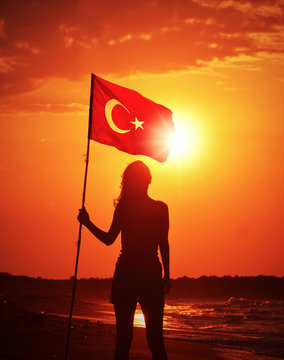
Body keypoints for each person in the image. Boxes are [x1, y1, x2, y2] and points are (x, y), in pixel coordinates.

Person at [77, 160, 170, 360]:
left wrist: (87, 223)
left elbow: (109, 239)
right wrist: (167, 275)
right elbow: (163, 243)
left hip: (131, 274)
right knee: (152, 339)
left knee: (126, 339)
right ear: (149, 180)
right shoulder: (157, 208)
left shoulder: (128, 207)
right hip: (146, 274)